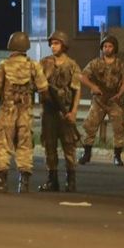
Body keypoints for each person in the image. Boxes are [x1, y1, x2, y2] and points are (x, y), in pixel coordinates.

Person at [0, 31, 49, 193]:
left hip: (7, 111)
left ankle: (1, 182)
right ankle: (24, 182)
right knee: (25, 145)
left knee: (3, 144)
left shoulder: (4, 65)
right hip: (26, 112)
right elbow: (44, 89)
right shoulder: (34, 65)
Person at [38, 31, 82, 191]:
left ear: (63, 45)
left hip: (65, 111)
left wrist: (73, 112)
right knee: (49, 146)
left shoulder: (72, 65)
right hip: (49, 111)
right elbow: (38, 83)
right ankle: (52, 179)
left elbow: (77, 90)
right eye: (52, 43)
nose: (53, 46)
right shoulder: (44, 63)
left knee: (69, 146)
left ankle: (71, 180)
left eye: (56, 43)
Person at [78, 35, 124, 167]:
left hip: (115, 101)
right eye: (105, 46)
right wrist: (93, 87)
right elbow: (82, 76)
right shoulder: (95, 63)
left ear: (115, 48)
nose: (107, 49)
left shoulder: (120, 64)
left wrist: (119, 94)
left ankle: (117, 156)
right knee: (90, 127)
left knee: (119, 129)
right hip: (99, 100)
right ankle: (87, 154)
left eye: (110, 46)